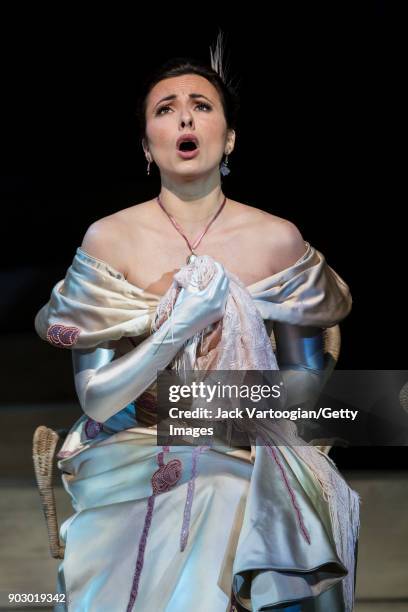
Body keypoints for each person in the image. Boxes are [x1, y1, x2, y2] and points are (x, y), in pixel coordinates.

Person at [34, 35, 360, 612]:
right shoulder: (109, 239)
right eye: (165, 108)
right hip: (131, 446)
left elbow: (307, 381)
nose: (184, 114)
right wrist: (177, 327)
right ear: (146, 144)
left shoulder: (277, 239)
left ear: (229, 137)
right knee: (206, 489)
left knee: (231, 490)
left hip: (255, 445)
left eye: (202, 105)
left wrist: (216, 412)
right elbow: (96, 399)